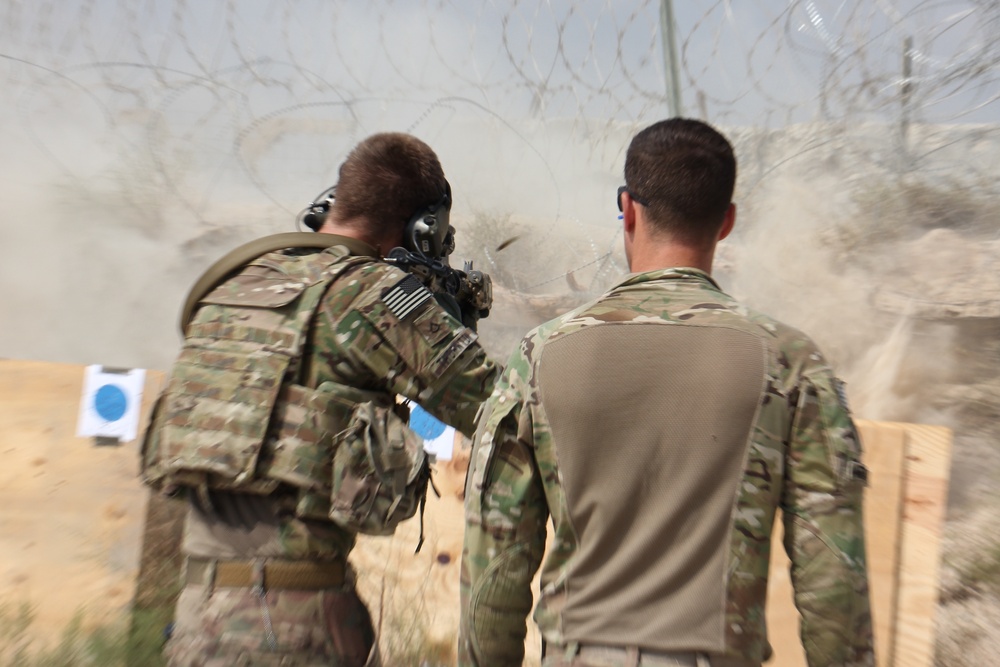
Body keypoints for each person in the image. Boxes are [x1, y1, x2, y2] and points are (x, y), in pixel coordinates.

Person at [459, 118, 873, 667]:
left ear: (628, 210)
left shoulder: (537, 358)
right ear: (726, 222)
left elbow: (495, 567)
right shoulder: (789, 363)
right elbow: (833, 580)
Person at [141, 132, 500, 666]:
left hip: (196, 618)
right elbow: (497, 407)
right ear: (422, 229)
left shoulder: (233, 286)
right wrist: (451, 326)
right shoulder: (369, 294)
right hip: (298, 626)